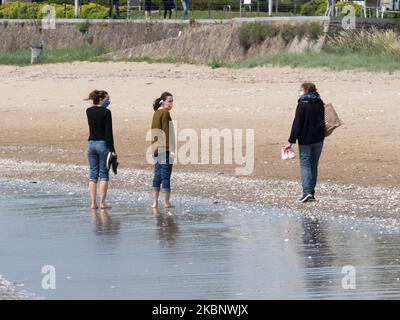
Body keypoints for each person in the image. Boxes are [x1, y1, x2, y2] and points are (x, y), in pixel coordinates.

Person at [284, 83, 325, 203]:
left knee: (305, 165)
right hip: (319, 139)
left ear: (306, 90)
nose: (299, 92)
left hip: (306, 140)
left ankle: (307, 192)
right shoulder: (319, 102)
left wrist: (291, 141)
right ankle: (311, 192)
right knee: (313, 165)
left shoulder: (302, 104)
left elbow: (297, 123)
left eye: (301, 90)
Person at [86, 90, 117, 210]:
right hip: (103, 144)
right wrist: (112, 149)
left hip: (91, 144)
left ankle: (93, 204)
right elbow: (108, 132)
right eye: (107, 99)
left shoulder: (88, 111)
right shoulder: (106, 112)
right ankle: (102, 203)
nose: (108, 101)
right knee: (104, 174)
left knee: (93, 175)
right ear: (101, 99)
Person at [151, 92, 175, 209]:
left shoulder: (156, 113)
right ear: (163, 101)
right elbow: (166, 131)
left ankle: (155, 203)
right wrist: (170, 149)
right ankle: (166, 203)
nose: (171, 104)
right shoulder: (165, 113)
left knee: (157, 176)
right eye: (169, 101)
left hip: (156, 148)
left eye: (172, 101)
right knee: (165, 176)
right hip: (164, 149)